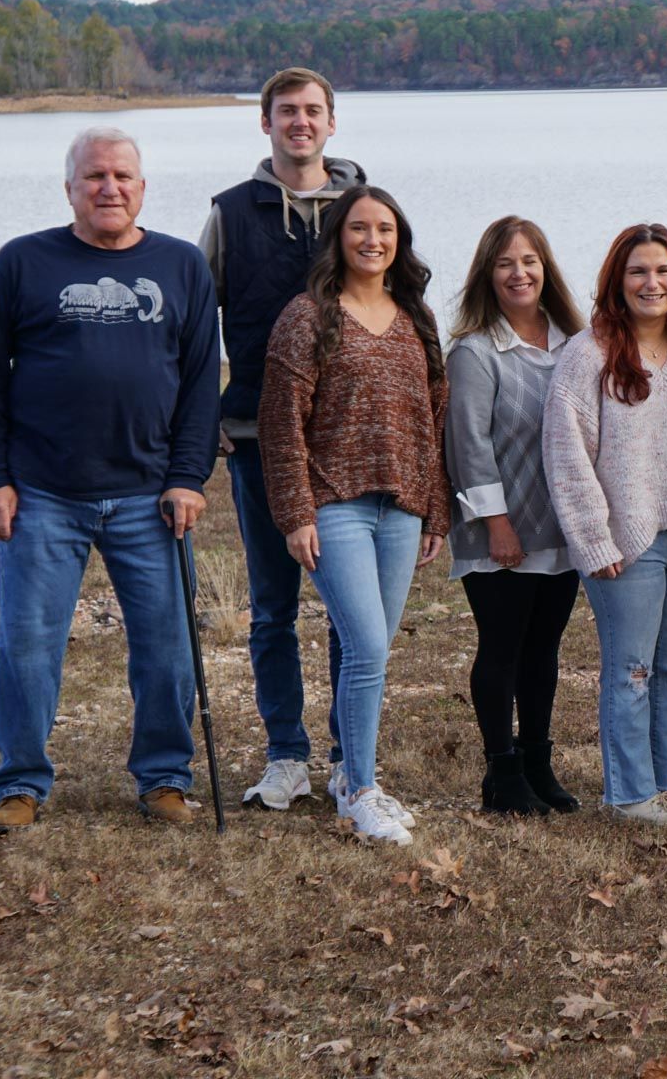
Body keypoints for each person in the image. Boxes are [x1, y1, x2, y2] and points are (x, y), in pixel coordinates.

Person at [0, 127, 219, 829]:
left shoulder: (182, 265)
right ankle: (19, 782)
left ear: (142, 187)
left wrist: (189, 477)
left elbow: (200, 386)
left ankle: (164, 778)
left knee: (167, 649)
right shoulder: (22, 262)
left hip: (150, 497)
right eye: (95, 177)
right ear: (70, 187)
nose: (110, 188)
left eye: (123, 177)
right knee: (27, 645)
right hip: (41, 493)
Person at [200, 66, 370, 812]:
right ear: (264, 123)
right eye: (285, 112)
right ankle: (286, 756)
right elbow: (190, 320)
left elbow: (400, 316)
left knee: (345, 607)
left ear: (332, 122)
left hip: (345, 444)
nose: (299, 122)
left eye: (312, 111)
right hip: (255, 434)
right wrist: (200, 414)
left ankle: (346, 754)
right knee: (272, 605)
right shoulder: (231, 213)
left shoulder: (366, 209)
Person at [257, 185, 450, 845]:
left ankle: (351, 778)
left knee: (374, 651)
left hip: (399, 508)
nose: (373, 239)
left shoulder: (415, 315)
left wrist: (434, 511)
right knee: (366, 647)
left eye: (386, 229)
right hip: (333, 504)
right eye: (360, 228)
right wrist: (295, 514)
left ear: (400, 240)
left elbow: (434, 418)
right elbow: (281, 425)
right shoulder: (308, 317)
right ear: (339, 236)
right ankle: (362, 789)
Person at [542, 225, 667, 827]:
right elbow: (565, 451)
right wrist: (591, 537)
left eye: (662, 271)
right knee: (630, 669)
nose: (651, 283)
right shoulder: (589, 354)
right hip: (626, 541)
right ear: (617, 281)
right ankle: (630, 795)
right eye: (637, 271)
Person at [444, 216, 587, 815]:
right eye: (505, 263)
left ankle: (536, 764)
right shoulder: (476, 353)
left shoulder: (577, 345)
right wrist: (496, 522)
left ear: (545, 269)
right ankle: (501, 774)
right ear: (488, 274)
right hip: (501, 529)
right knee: (502, 647)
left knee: (545, 651)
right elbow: (468, 443)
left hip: (563, 527)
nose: (519, 272)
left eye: (528, 261)